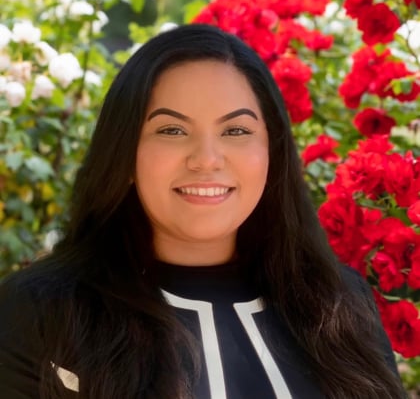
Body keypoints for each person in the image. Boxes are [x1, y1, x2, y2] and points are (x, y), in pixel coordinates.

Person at [0, 24, 406, 399]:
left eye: (236, 130)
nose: (207, 159)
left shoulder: (341, 304)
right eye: (172, 130)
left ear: (273, 153)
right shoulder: (41, 312)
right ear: (123, 153)